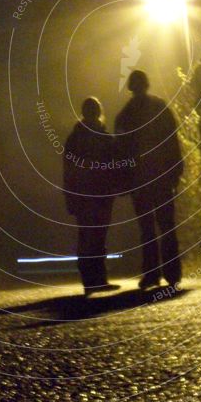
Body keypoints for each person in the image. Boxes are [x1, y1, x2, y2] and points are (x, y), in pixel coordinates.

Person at [115, 70, 183, 290]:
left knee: (147, 228)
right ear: (147, 84)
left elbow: (121, 151)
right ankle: (172, 273)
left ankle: (152, 274)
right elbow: (172, 141)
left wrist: (125, 182)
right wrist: (176, 171)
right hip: (161, 176)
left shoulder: (124, 115)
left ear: (131, 88)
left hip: (140, 180)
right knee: (166, 224)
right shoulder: (160, 108)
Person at [63, 97, 117, 296]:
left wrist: (70, 195)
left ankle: (93, 280)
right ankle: (95, 279)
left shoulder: (75, 138)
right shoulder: (102, 137)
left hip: (89, 194)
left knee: (90, 235)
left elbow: (68, 170)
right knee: (95, 235)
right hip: (97, 193)